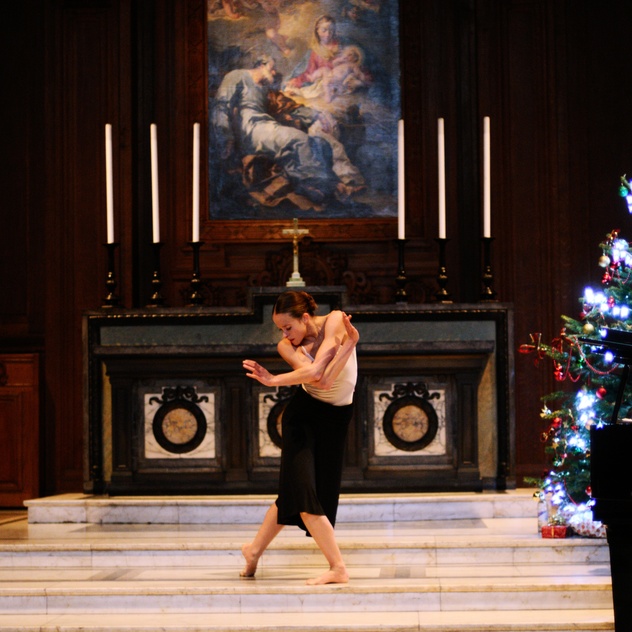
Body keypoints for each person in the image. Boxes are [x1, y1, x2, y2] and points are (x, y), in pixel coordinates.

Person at [241, 291, 359, 585]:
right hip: (303, 417)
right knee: (306, 494)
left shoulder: (335, 321)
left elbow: (324, 376)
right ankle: (338, 568)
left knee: (297, 494)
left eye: (288, 327)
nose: (284, 334)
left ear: (305, 317)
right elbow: (319, 377)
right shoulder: (286, 346)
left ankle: (253, 551)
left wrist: (349, 343)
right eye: (280, 329)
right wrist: (350, 345)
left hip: (336, 419)